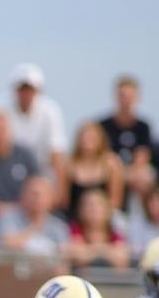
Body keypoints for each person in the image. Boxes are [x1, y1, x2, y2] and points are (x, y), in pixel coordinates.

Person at [0, 64, 67, 193]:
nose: (26, 94)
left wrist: (57, 192)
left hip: (41, 175)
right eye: (22, 89)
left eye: (30, 89)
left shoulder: (51, 111)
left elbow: (56, 153)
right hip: (6, 172)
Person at [0, 109, 40, 240]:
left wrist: (10, 209)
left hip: (22, 214)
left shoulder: (24, 154)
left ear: (9, 130)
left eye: (0, 128)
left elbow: (37, 186)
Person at [99, 75, 154, 204]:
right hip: (110, 170)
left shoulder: (142, 126)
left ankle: (142, 212)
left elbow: (142, 156)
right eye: (122, 96)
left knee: (144, 176)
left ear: (137, 97)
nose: (126, 100)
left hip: (133, 171)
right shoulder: (104, 125)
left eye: (130, 96)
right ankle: (113, 209)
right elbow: (103, 154)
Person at [0, 175, 69, 260]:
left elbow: (64, 255)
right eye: (33, 194)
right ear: (22, 195)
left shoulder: (58, 226)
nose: (37, 198)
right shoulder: (7, 217)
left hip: (48, 272)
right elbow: (5, 245)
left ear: (51, 198)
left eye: (42, 194)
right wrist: (34, 228)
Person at [66, 188, 130, 271]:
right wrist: (108, 251)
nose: (93, 209)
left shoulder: (114, 233)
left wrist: (90, 251)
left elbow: (121, 262)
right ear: (81, 210)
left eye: (98, 205)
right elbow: (79, 258)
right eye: (89, 205)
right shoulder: (74, 229)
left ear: (107, 209)